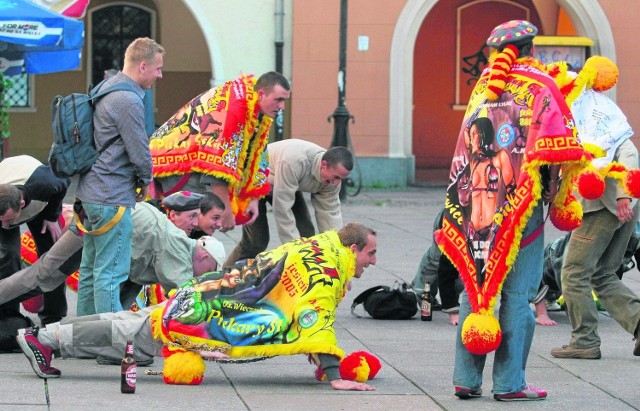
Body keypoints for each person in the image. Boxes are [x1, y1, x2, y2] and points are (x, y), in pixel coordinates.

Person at [17, 223, 377, 392]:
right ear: (354, 248)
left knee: (133, 321)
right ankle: (45, 340)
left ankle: (47, 335)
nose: (373, 262)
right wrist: (335, 376)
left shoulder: (313, 247)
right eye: (371, 253)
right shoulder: (328, 273)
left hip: (209, 292)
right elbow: (316, 320)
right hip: (206, 312)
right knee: (133, 335)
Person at [436, 20, 587, 402]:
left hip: (476, 207)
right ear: (531, 49)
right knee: (519, 295)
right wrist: (555, 189)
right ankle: (509, 383)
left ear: (496, 51)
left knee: (477, 287)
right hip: (521, 207)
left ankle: (465, 379)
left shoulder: (481, 89)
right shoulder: (541, 85)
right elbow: (559, 147)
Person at [551, 57, 640, 360]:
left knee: (574, 272)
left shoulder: (582, 112)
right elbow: (627, 147)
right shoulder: (601, 109)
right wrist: (627, 197)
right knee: (603, 274)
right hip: (622, 203)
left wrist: (623, 196)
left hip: (603, 204)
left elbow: (627, 151)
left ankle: (585, 340)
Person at [0, 197, 225, 311]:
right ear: (204, 256)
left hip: (103, 224)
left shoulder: (181, 243)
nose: (205, 278)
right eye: (211, 272)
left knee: (49, 277)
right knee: (43, 275)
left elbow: (133, 282)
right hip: (96, 228)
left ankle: (85, 336)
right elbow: (186, 296)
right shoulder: (177, 246)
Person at [76, 37, 165, 316]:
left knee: (91, 271)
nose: (160, 74)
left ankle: (85, 338)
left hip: (91, 192)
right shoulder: (128, 99)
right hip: (111, 194)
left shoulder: (106, 87)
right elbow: (139, 150)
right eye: (158, 68)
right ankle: (108, 342)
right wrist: (146, 180)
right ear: (142, 66)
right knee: (111, 274)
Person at [150, 71, 291, 234]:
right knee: (192, 226)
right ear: (261, 94)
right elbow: (215, 172)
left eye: (284, 100)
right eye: (279, 100)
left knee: (200, 224)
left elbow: (258, 153)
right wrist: (225, 213)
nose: (282, 107)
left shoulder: (257, 106)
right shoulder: (234, 110)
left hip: (193, 163)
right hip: (177, 166)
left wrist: (254, 197)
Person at [225, 139, 353, 264]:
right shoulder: (295, 162)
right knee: (256, 242)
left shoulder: (333, 179)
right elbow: (283, 210)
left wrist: (337, 256)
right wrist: (295, 253)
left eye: (341, 179)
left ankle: (307, 278)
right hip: (255, 181)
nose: (337, 183)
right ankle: (223, 277)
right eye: (336, 177)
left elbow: (330, 215)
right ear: (324, 165)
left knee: (306, 234)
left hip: (286, 184)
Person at [0, 155, 70, 351]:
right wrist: (4, 223)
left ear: (21, 205)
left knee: (52, 261)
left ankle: (52, 316)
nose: (5, 226)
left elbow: (64, 181)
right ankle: (8, 315)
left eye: (7, 220)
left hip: (41, 207)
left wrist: (51, 216)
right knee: (8, 257)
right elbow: (5, 222)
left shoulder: (45, 184)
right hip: (7, 188)